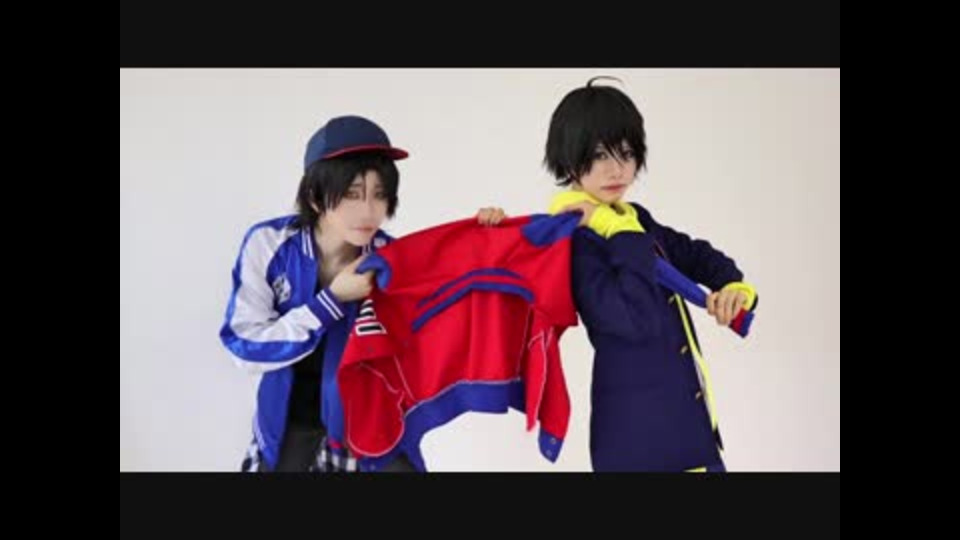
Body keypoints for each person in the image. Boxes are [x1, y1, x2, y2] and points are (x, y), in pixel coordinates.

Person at [219, 115, 505, 472]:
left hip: (370, 423)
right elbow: (244, 344)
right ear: (315, 195)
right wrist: (330, 301)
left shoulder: (393, 259)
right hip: (289, 422)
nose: (369, 211)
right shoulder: (269, 244)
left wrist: (488, 238)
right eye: (352, 195)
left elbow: (462, 295)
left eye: (379, 195)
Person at [544, 77, 758, 472]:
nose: (617, 169)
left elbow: (694, 253)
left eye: (626, 153)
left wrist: (733, 287)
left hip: (691, 435)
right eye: (600, 154)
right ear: (570, 158)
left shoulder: (636, 219)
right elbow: (633, 317)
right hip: (638, 444)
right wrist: (617, 230)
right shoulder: (574, 241)